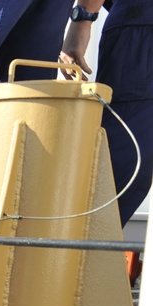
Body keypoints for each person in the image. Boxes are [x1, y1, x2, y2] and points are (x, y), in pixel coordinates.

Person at [60, 0, 153, 227]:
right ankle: (75, 255)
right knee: (123, 167)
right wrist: (83, 18)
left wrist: (83, 18)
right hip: (141, 27)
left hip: (139, 29)